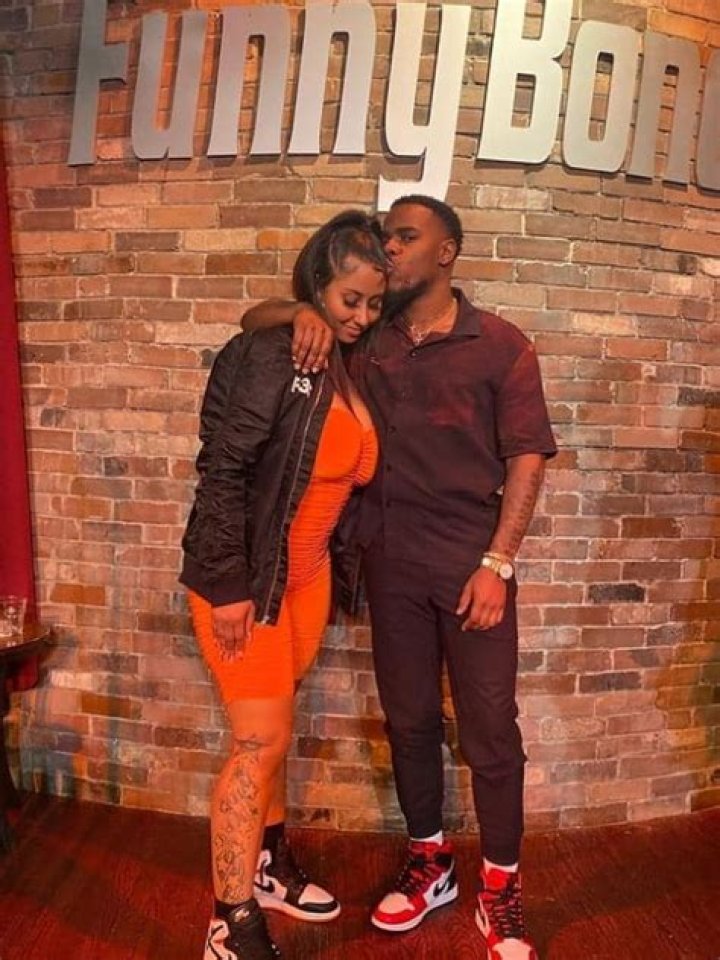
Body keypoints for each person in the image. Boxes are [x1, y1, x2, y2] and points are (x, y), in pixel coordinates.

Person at [242, 195, 557, 960]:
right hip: (389, 563)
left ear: (447, 251)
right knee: (409, 721)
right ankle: (430, 864)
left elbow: (527, 457)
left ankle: (501, 888)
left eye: (406, 236)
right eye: (386, 236)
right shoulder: (367, 337)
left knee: (489, 731)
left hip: (471, 565)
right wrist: (300, 312)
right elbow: (254, 319)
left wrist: (499, 562)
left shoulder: (501, 345)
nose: (390, 247)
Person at [179, 210, 387, 960]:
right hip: (250, 581)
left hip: (306, 582)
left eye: (373, 303)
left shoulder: (342, 365)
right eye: (349, 300)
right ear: (316, 286)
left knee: (273, 738)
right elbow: (223, 470)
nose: (361, 316)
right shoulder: (276, 351)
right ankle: (229, 923)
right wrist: (228, 584)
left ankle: (265, 866)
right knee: (258, 740)